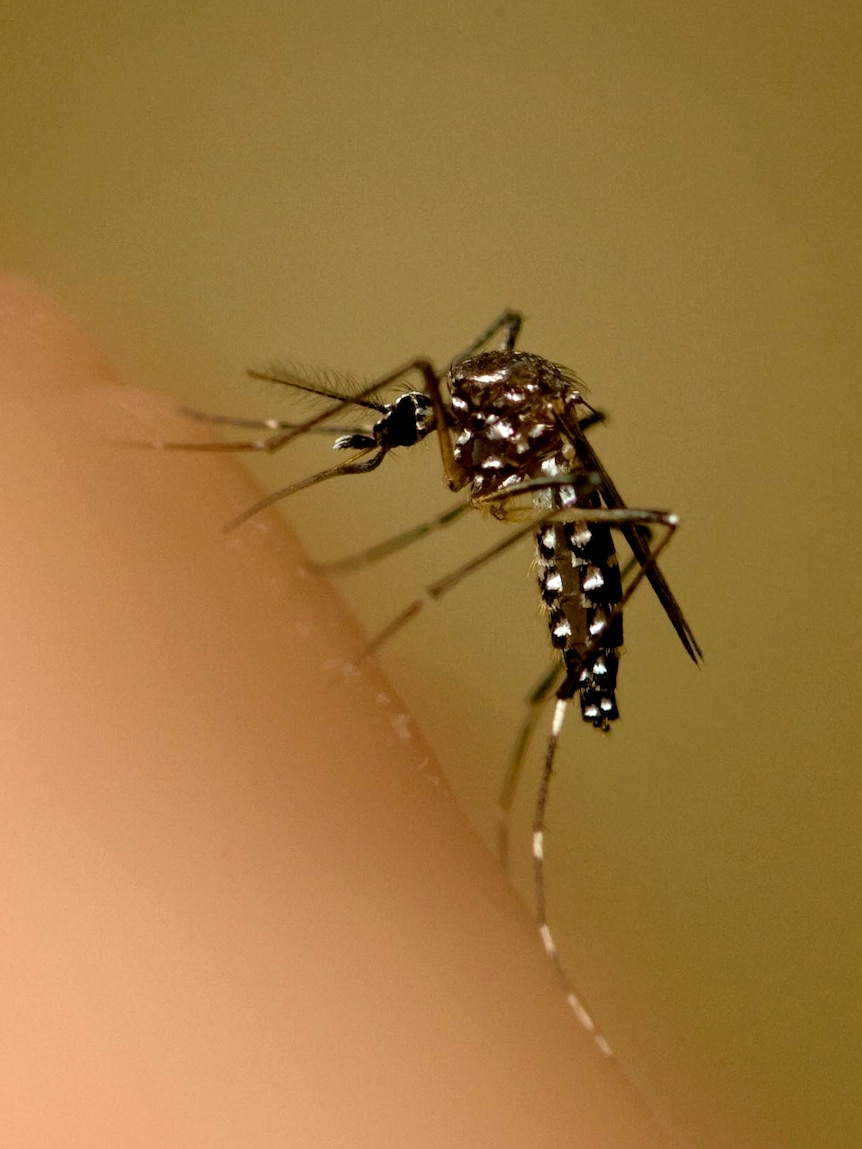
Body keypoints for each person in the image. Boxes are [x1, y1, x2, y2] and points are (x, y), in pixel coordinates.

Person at [0, 274, 676, 1146]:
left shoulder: (482, 417)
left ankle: (553, 708)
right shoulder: (455, 404)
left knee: (542, 529)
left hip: (570, 520)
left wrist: (420, 570)